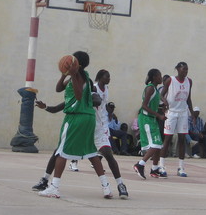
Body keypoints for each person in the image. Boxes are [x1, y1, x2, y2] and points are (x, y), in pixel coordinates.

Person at [38, 51, 113, 199]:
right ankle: (106, 187)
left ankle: (54, 187)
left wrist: (72, 74)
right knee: (92, 152)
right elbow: (58, 88)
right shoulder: (85, 76)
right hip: (88, 118)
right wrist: (64, 74)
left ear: (75, 63)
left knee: (61, 152)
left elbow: (78, 95)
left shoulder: (78, 77)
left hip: (75, 117)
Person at [93, 69, 129, 198]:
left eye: (109, 77)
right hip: (89, 124)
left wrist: (108, 114)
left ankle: (120, 184)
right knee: (62, 151)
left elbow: (103, 106)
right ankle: (48, 180)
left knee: (108, 153)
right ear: (100, 77)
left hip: (101, 126)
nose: (109, 79)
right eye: (107, 77)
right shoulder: (94, 88)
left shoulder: (106, 88)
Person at [158, 62, 195, 177]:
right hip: (172, 112)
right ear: (178, 69)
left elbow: (188, 99)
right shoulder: (170, 80)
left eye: (187, 70)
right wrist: (164, 101)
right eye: (184, 69)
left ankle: (181, 167)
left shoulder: (189, 81)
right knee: (167, 139)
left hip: (183, 113)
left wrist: (192, 113)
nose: (186, 71)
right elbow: (161, 94)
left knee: (182, 139)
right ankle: (161, 166)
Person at [133, 69, 166, 179]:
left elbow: (152, 105)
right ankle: (140, 165)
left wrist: (162, 107)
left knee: (159, 145)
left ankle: (155, 169)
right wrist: (159, 115)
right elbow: (144, 106)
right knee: (155, 144)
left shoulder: (155, 89)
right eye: (159, 75)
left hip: (151, 119)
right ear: (154, 77)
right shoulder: (150, 88)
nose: (161, 78)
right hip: (146, 119)